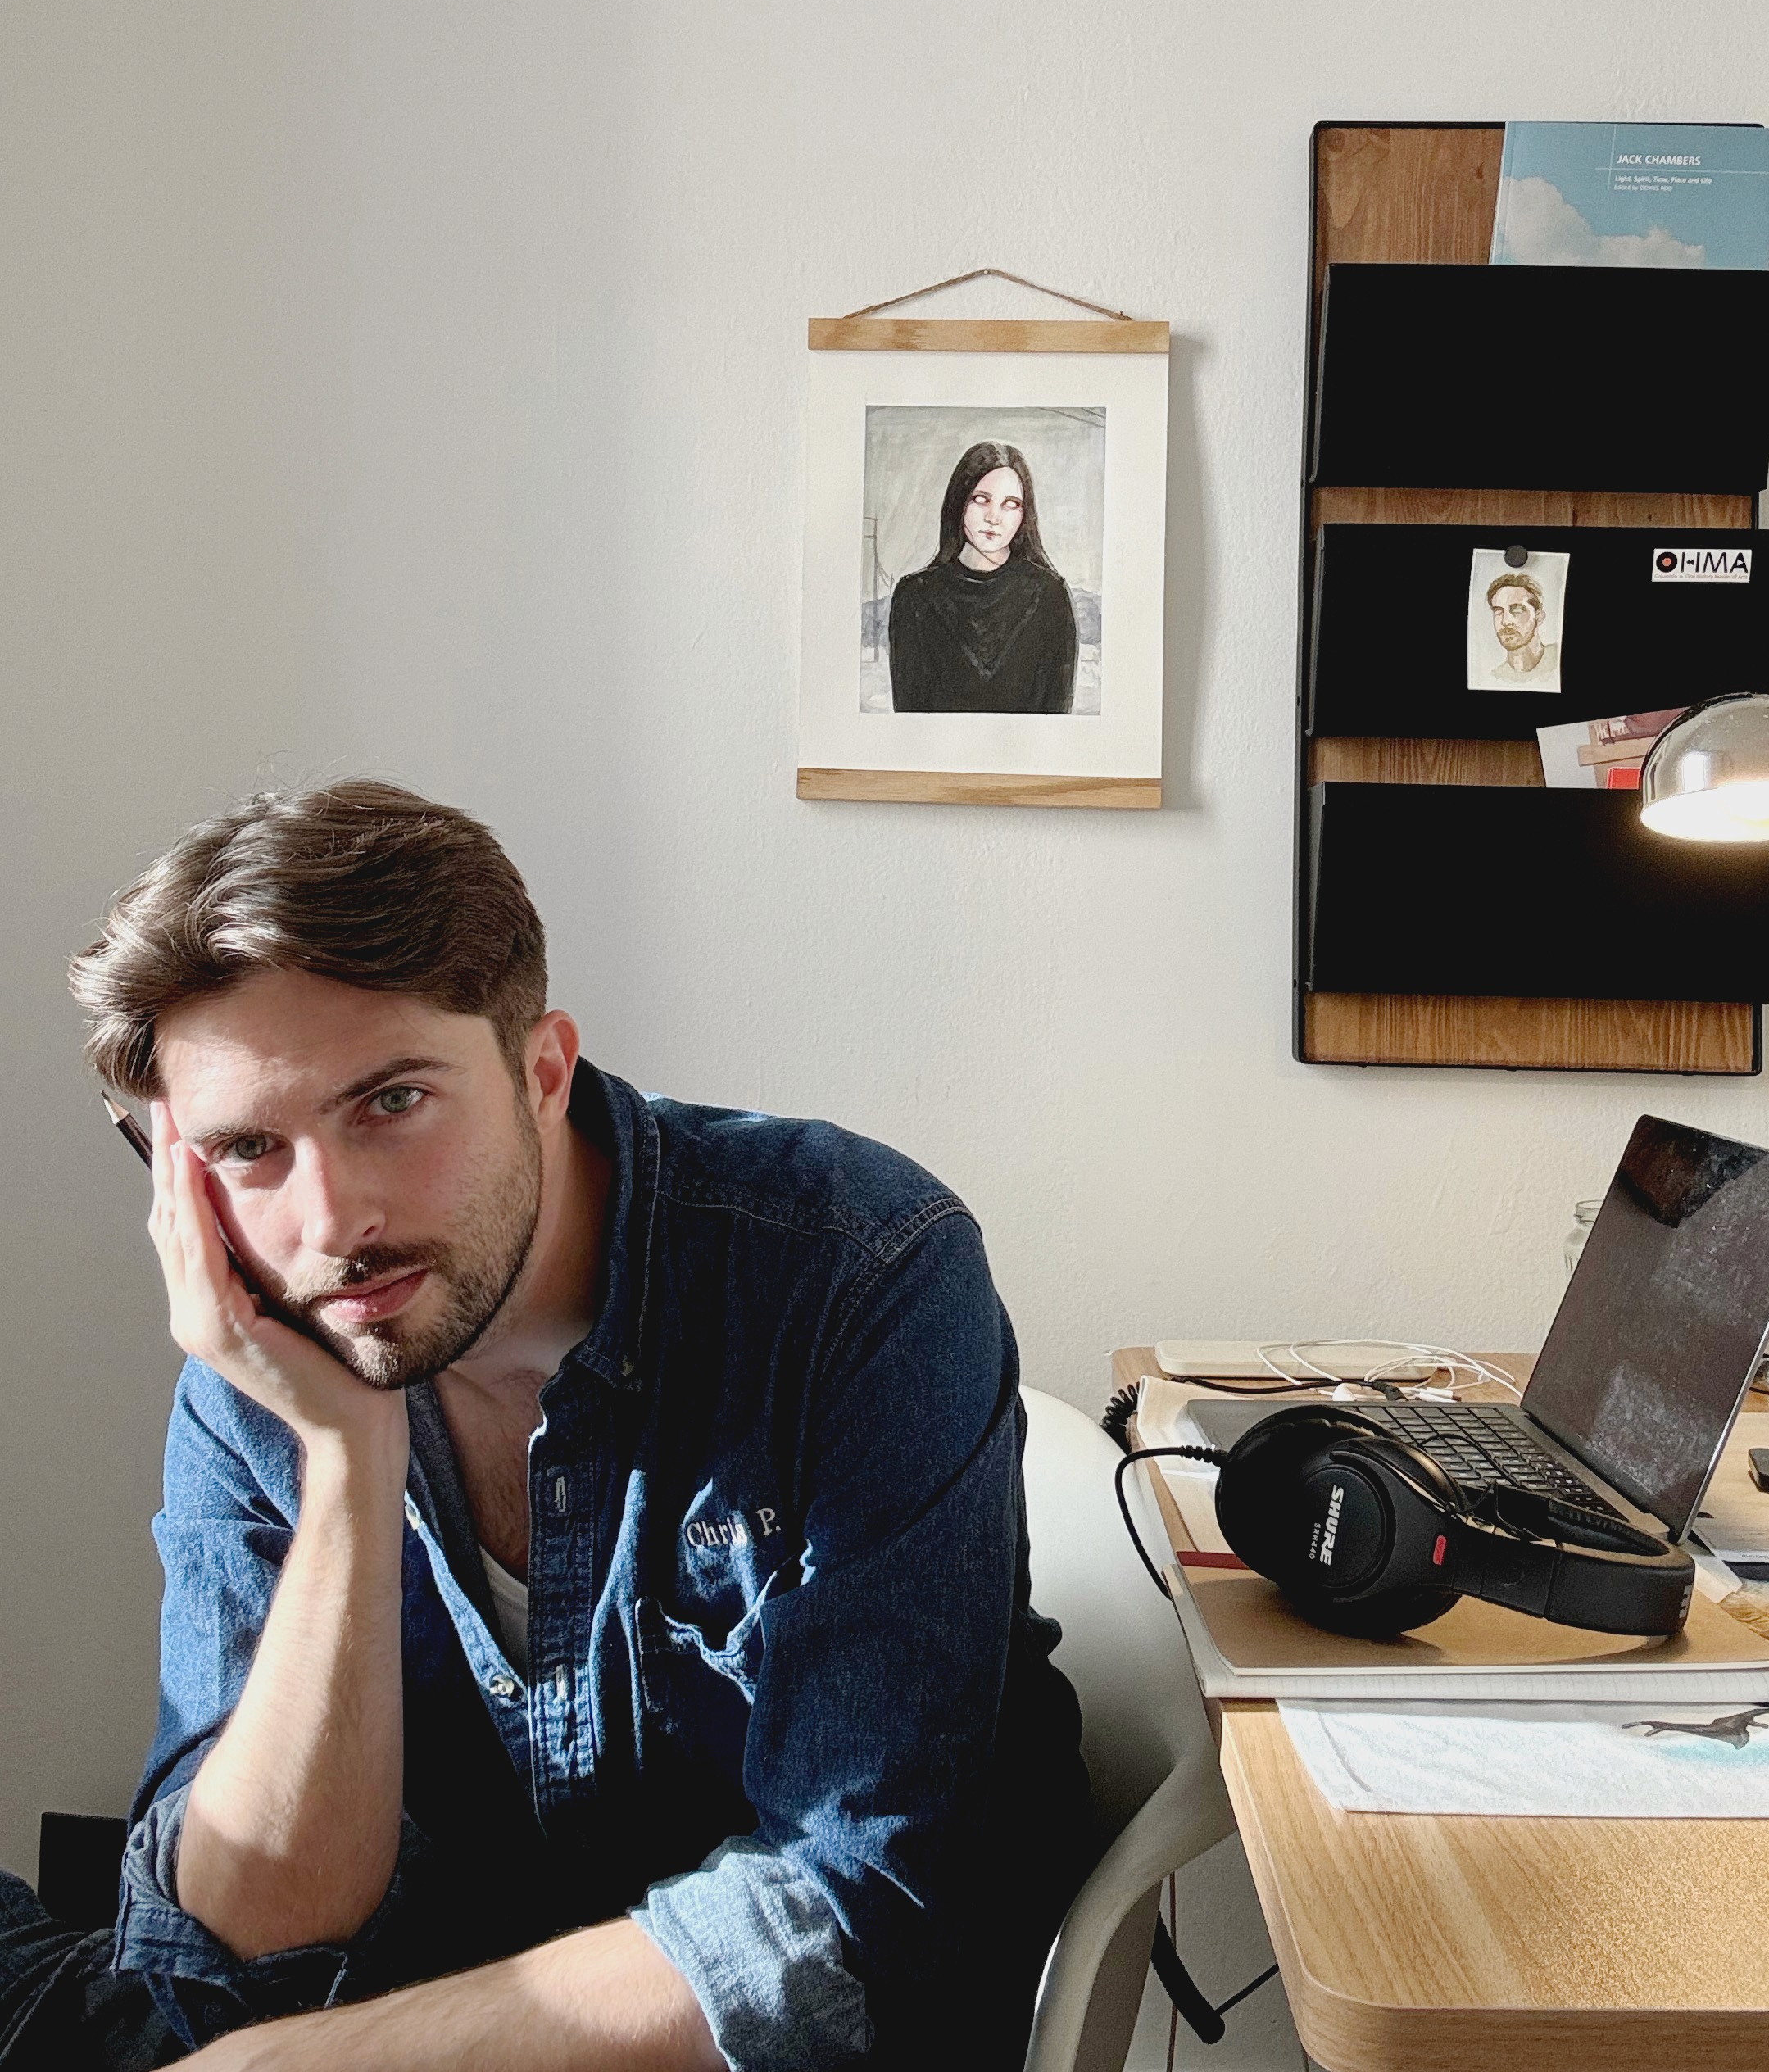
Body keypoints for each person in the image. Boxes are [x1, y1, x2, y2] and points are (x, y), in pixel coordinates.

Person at [0, 783, 1089, 2069]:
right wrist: (349, 1461)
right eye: (249, 1150)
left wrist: (315, 2062)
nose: (331, 1222)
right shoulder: (271, 1341)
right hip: (406, 2005)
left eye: (391, 1103)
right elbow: (244, 1940)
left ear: (543, 1072)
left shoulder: (855, 1273)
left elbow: (859, 1909)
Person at [887, 442, 1079, 714]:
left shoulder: (1050, 594)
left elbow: (1056, 717)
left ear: (1025, 515)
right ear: (959, 503)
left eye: (1011, 504)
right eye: (981, 499)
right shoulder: (915, 595)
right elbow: (910, 714)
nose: (993, 517)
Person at [1482, 569, 1561, 691]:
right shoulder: (1494, 679)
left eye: (1517, 611)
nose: (1505, 622)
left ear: (1539, 617)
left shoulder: (1557, 660)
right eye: (1498, 612)